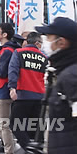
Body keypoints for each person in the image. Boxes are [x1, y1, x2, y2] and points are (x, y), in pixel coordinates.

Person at [35, 17, 77, 153]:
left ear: (61, 42)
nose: (45, 43)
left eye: (48, 38)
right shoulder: (62, 71)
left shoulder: (71, 76)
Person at [8, 31, 47, 151]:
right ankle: (34, 147)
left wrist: (12, 87)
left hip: (23, 95)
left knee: (15, 124)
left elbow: (13, 70)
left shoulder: (19, 53)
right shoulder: (44, 57)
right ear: (37, 43)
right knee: (34, 128)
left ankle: (29, 148)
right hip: (39, 95)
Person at [0, 23, 21, 154]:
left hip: (3, 90)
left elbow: (0, 71)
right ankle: (11, 143)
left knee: (3, 124)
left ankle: (9, 150)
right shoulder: (3, 49)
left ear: (4, 34)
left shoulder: (8, 51)